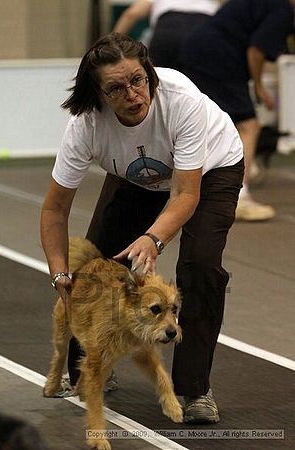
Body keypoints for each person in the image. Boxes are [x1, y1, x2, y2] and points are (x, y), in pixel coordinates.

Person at [40, 32, 244, 424]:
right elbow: (54, 209)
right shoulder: (86, 125)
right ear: (98, 95)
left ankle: (195, 388)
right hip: (137, 178)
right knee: (95, 268)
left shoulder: (181, 100)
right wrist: (59, 273)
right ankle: (92, 361)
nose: (133, 94)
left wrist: (153, 239)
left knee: (200, 267)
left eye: (138, 80)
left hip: (210, 172)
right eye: (116, 88)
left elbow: (185, 193)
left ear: (149, 74)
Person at [178, 0, 295, 221]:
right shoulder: (282, 10)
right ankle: (238, 196)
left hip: (200, 49)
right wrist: (259, 87)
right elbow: (256, 50)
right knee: (249, 125)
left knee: (213, 120)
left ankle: (210, 185)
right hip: (217, 56)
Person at [113, 1, 223, 67]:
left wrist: (111, 46)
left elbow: (132, 14)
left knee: (158, 86)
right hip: (203, 35)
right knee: (204, 89)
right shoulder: (213, 2)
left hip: (168, 33)